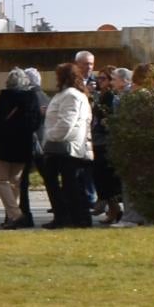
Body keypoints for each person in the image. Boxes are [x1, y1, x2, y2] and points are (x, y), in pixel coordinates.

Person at [0, 67, 41, 228]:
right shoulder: (32, 97)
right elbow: (36, 122)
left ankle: (16, 215)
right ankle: (12, 217)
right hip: (23, 145)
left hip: (4, 145)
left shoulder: (5, 97)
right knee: (15, 181)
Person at [38, 62, 95, 227]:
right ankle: (76, 217)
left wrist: (50, 136)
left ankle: (67, 217)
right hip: (70, 146)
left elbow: (66, 123)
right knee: (71, 184)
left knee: (61, 183)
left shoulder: (70, 95)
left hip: (64, 146)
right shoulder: (75, 94)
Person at [92, 66, 133, 224]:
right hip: (102, 140)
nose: (99, 81)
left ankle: (114, 209)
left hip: (107, 141)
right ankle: (113, 209)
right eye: (99, 78)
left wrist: (110, 123)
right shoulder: (105, 95)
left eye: (104, 78)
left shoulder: (113, 96)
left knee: (106, 178)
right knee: (103, 178)